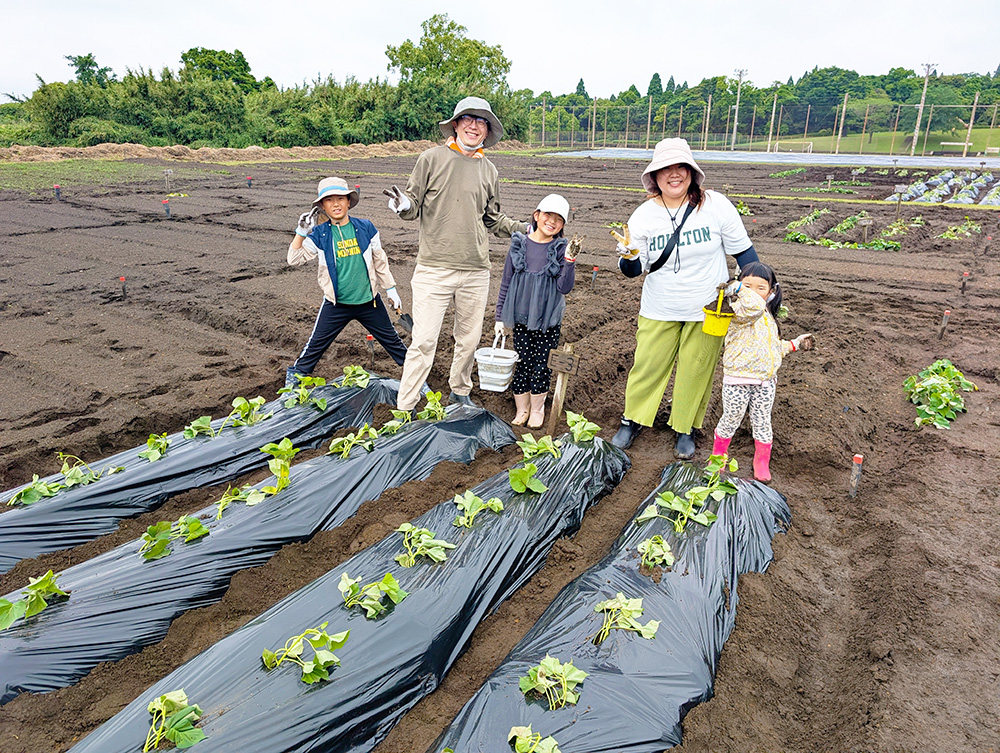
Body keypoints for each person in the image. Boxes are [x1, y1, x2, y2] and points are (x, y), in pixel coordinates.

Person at [611, 138, 760, 459]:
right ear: (655, 176)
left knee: (697, 369)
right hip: (659, 307)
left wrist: (761, 291)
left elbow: (745, 254)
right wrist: (629, 256)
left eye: (681, 167)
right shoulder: (643, 216)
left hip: (709, 310)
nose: (674, 174)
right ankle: (632, 420)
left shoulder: (716, 205)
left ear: (692, 172)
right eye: (666, 169)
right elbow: (632, 270)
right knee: (647, 366)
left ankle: (685, 428)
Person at [384, 96, 527, 412]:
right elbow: (411, 202)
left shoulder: (489, 170)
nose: (474, 126)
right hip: (434, 268)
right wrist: (403, 205)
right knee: (423, 341)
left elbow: (492, 218)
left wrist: (524, 229)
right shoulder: (431, 159)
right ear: (456, 124)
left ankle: (459, 391)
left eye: (481, 121)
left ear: (487, 130)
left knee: (468, 339)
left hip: (476, 269)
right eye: (468, 119)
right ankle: (405, 405)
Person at [285, 177, 406, 387]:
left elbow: (380, 260)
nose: (336, 204)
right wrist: (301, 233)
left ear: (349, 201)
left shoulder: (366, 228)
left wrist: (391, 289)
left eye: (340, 198)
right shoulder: (320, 234)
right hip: (336, 305)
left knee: (394, 343)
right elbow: (294, 259)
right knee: (315, 346)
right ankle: (294, 381)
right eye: (329, 200)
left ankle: (418, 378)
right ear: (322, 206)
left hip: (369, 303)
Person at [711, 262, 814, 481]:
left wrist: (795, 344)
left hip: (766, 382)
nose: (753, 292)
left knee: (762, 421)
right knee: (731, 417)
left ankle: (761, 461)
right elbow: (753, 306)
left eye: (761, 287)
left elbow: (772, 347)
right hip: (738, 380)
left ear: (771, 291)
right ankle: (718, 457)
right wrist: (739, 290)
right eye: (747, 285)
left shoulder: (767, 316)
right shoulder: (739, 310)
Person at [495, 194, 580, 428]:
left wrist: (570, 261)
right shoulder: (520, 244)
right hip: (521, 316)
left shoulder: (560, 249)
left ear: (562, 225)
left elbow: (564, 287)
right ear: (537, 215)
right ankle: (521, 409)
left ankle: (537, 409)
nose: (552, 222)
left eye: (558, 219)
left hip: (547, 319)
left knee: (542, 364)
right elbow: (506, 282)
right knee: (522, 362)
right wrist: (500, 316)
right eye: (547, 215)